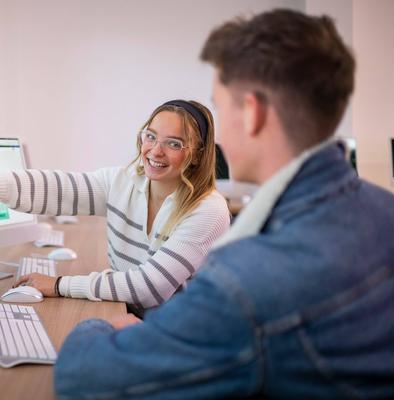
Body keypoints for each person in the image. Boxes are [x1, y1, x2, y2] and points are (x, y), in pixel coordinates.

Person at [55, 9, 394, 399]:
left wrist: (102, 327)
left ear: (251, 113)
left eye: (218, 106)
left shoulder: (246, 279)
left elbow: (82, 377)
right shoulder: (390, 215)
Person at [0, 100, 230, 316]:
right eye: (150, 136)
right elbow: (55, 189)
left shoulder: (208, 210)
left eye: (174, 144)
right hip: (140, 318)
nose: (155, 151)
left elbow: (148, 289)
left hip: (186, 337)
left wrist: (59, 284)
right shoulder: (123, 182)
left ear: (198, 155)